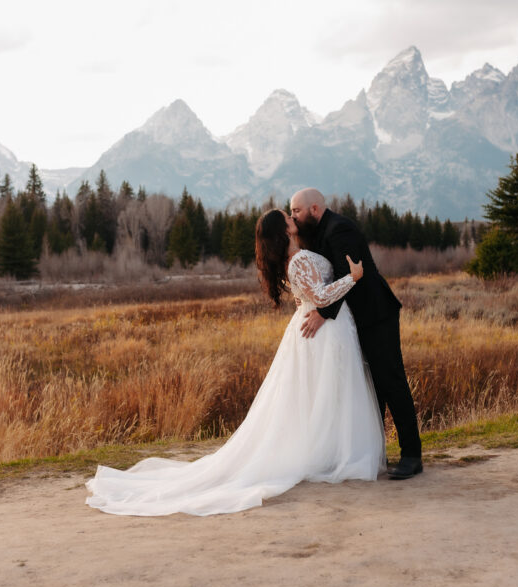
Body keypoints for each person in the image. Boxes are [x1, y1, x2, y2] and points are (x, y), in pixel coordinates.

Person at [85, 209, 385, 516]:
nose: (292, 218)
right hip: (323, 332)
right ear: (284, 230)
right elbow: (321, 297)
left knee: (320, 395)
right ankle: (334, 455)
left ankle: (329, 453)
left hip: (317, 329)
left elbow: (304, 297)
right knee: (329, 391)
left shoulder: (291, 260)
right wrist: (353, 277)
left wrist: (308, 303)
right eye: (288, 217)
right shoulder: (298, 260)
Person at [289, 187, 422, 479]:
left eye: (296, 211)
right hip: (353, 321)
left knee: (390, 381)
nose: (292, 216)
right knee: (369, 387)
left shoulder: (340, 229)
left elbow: (347, 275)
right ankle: (374, 454)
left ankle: (412, 455)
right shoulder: (316, 232)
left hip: (375, 315)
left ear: (313, 209)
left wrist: (323, 313)